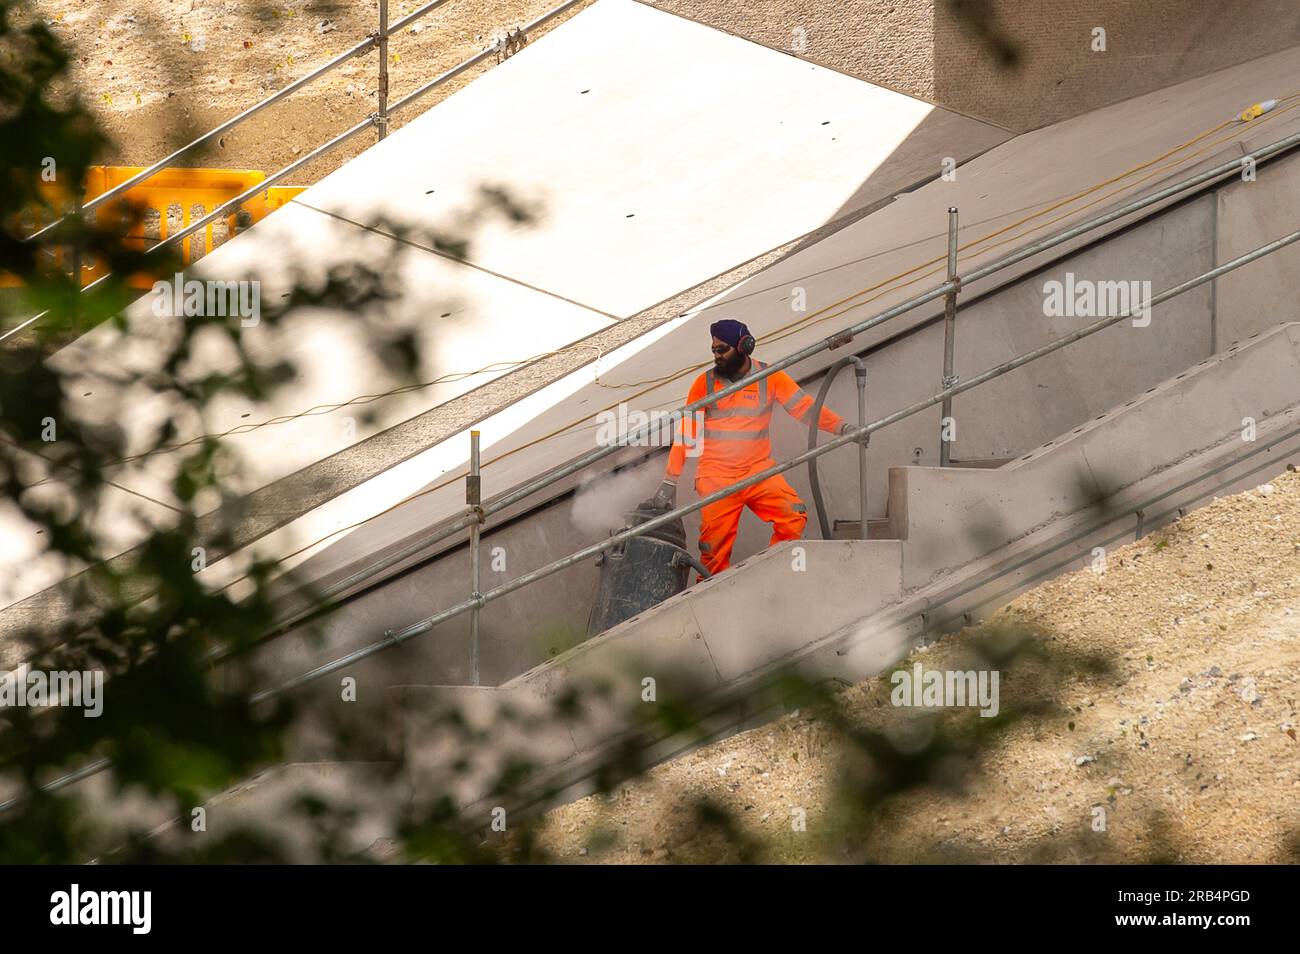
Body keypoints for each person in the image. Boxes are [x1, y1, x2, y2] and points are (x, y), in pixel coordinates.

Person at [649, 319, 861, 576]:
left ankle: (768, 575)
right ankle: (713, 602)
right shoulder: (703, 385)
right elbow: (686, 435)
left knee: (793, 516)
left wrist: (843, 428)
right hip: (717, 478)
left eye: (722, 349)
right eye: (714, 350)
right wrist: (670, 480)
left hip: (758, 471)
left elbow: (804, 408)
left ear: (744, 346)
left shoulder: (769, 377)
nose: (717, 356)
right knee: (713, 552)